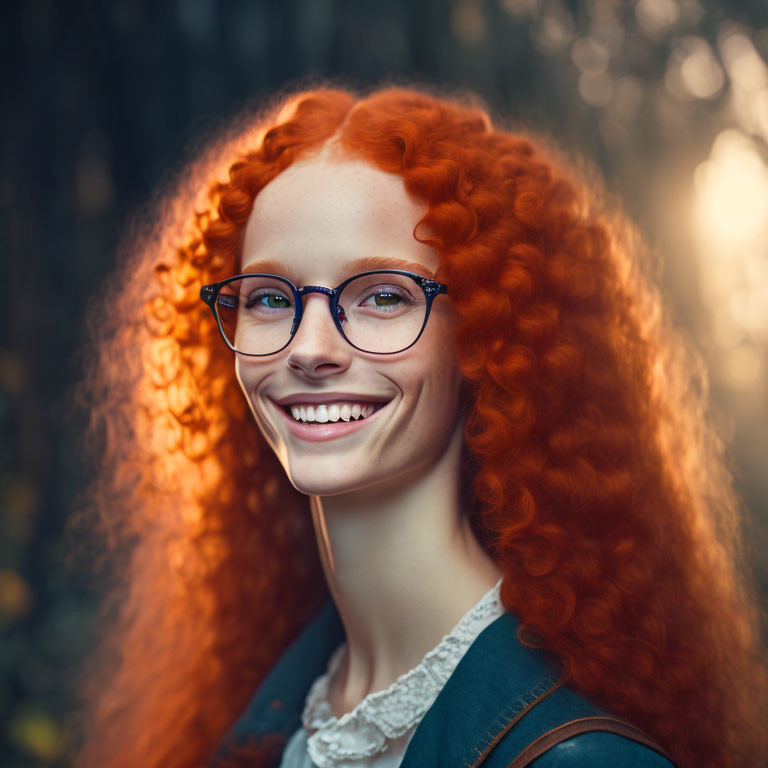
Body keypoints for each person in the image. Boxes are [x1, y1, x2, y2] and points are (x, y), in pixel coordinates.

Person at [70, 85, 768, 768]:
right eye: (270, 298)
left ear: (486, 333)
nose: (309, 347)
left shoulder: (577, 757)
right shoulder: (263, 712)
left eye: (382, 296)